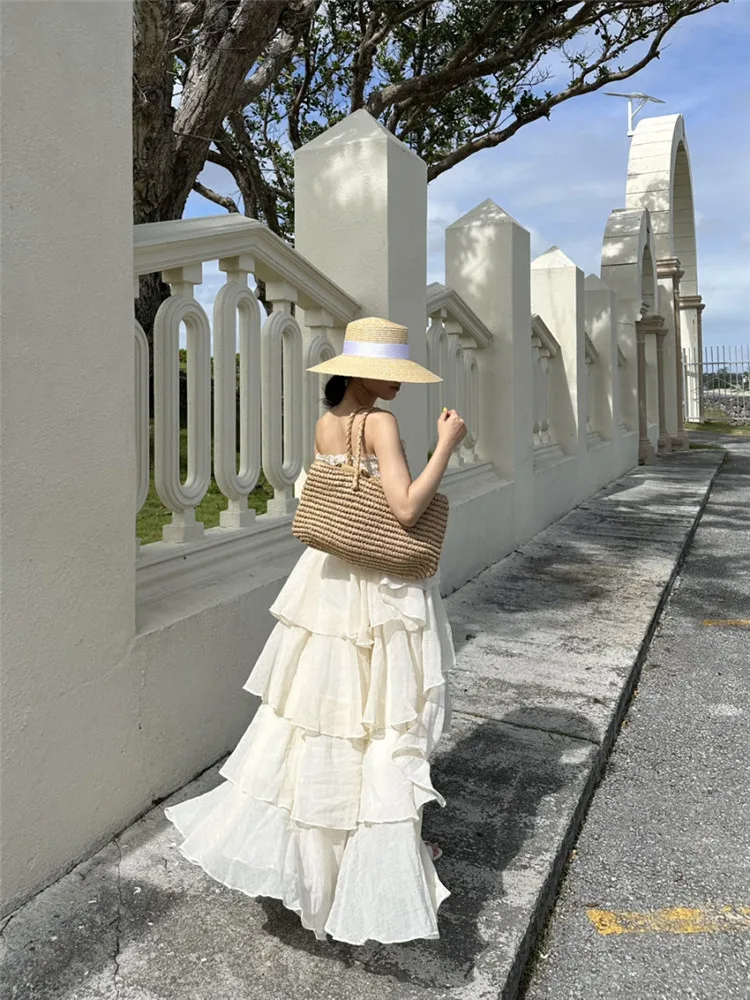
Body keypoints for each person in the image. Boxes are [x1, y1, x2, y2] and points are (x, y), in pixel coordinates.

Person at [164, 316, 467, 946]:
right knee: (380, 717)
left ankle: (329, 859)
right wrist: (447, 444)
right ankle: (375, 860)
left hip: (328, 582)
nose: (398, 387)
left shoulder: (328, 423)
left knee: (323, 720)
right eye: (390, 374)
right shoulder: (379, 424)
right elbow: (407, 508)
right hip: (375, 587)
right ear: (360, 373)